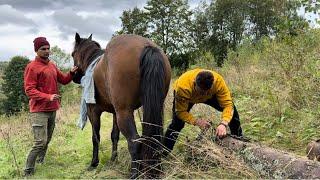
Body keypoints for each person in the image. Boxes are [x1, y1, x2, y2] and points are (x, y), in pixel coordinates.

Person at [23, 37, 78, 176]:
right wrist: (48, 96)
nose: (47, 51)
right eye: (43, 49)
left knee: (47, 140)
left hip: (52, 109)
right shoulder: (32, 67)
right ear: (37, 50)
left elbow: (64, 80)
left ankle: (40, 162)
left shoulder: (52, 65)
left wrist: (71, 73)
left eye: (48, 48)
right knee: (40, 142)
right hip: (39, 110)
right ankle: (28, 171)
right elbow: (29, 90)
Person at [163, 68, 243, 155]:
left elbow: (228, 105)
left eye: (206, 92)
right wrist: (197, 122)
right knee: (177, 123)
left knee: (233, 112)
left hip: (211, 96)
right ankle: (163, 152)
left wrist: (223, 123)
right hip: (189, 97)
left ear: (212, 85)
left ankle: (239, 141)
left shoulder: (218, 82)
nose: (203, 95)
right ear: (194, 84)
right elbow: (180, 112)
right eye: (201, 92)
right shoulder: (182, 88)